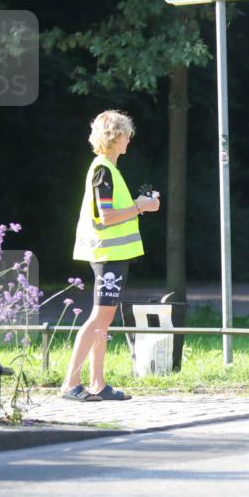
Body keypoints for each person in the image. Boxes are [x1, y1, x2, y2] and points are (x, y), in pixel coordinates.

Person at [60, 110, 160, 402]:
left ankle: (97, 383)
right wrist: (141, 206)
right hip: (107, 255)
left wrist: (141, 205)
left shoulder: (107, 169)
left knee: (104, 319)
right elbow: (106, 217)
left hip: (114, 255)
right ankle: (70, 383)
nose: (130, 138)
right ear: (115, 137)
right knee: (98, 318)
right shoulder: (103, 169)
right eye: (127, 133)